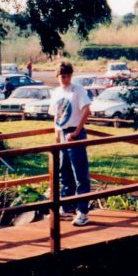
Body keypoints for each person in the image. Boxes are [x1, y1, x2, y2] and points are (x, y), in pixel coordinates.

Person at [51, 61, 93, 226]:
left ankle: (82, 212)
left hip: (75, 133)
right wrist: (57, 135)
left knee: (80, 173)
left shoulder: (77, 90)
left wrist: (76, 132)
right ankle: (66, 207)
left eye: (68, 76)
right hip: (62, 134)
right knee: (64, 172)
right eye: (63, 76)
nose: (66, 79)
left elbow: (86, 110)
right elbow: (56, 115)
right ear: (58, 76)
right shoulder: (55, 92)